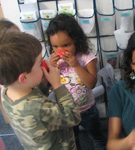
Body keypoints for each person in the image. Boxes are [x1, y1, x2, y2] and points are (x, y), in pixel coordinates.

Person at [0, 31, 81, 150]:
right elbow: (74, 117)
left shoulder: (7, 90)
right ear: (24, 78)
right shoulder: (38, 107)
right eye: (39, 63)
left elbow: (35, 95)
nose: (45, 63)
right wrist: (57, 85)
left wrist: (42, 83)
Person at [46, 14, 107, 150]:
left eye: (66, 45)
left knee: (97, 137)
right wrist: (52, 67)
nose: (60, 51)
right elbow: (51, 85)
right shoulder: (55, 60)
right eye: (55, 46)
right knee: (73, 140)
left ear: (77, 40)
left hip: (87, 110)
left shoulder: (86, 57)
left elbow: (91, 83)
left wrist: (76, 65)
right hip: (65, 111)